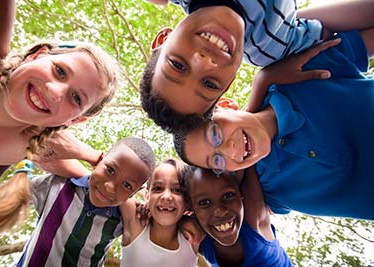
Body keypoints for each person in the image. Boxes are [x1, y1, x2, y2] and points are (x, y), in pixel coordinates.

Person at [174, 26, 374, 220]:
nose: (230, 151)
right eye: (217, 161)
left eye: (215, 135)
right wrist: (263, 80)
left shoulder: (299, 74)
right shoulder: (266, 190)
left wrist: (265, 78)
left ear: (225, 105)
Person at [140, 0, 374, 133]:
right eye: (210, 84)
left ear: (163, 39)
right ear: (229, 81)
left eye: (177, 65)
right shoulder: (270, 46)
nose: (204, 62)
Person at [0, 0, 120, 187]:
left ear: (74, 120)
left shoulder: (24, 147)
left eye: (76, 98)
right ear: (37, 55)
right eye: (60, 71)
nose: (54, 91)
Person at [0, 136, 155, 267]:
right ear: (99, 161)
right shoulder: (58, 186)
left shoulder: (123, 220)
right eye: (110, 170)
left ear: (135, 192)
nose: (110, 187)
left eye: (126, 185)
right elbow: (36, 144)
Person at [180, 166, 293, 266]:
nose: (220, 211)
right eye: (204, 202)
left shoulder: (253, 216)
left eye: (228, 195)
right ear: (190, 206)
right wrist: (183, 221)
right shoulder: (197, 237)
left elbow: (249, 162)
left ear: (240, 193)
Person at [120, 158, 198, 267]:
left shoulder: (193, 236)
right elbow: (106, 180)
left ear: (187, 200)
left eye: (177, 190)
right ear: (147, 196)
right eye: (158, 188)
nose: (166, 197)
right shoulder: (136, 222)